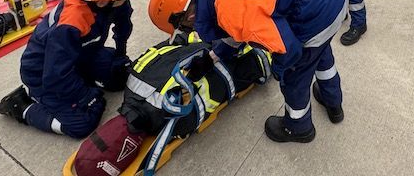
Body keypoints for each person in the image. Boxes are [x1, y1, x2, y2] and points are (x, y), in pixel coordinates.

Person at [148, 0, 348, 143]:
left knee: (295, 75)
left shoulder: (230, 13)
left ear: (188, 16)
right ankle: (333, 102)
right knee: (320, 52)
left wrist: (281, 71)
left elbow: (289, 50)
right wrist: (212, 58)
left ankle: (298, 127)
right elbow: (240, 29)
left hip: (318, 10)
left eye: (183, 27)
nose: (189, 30)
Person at [71, 34, 271, 176]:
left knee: (263, 60)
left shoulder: (176, 122)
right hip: (211, 37)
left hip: (232, 53)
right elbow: (167, 45)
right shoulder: (131, 83)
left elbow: (216, 93)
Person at [0, 0, 140, 138]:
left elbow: (123, 23)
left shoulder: (113, 1)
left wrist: (120, 54)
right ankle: (22, 107)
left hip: (81, 56)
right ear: (102, 2)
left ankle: (83, 80)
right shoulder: (70, 24)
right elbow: (55, 74)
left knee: (120, 77)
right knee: (83, 123)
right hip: (43, 75)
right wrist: (84, 96)